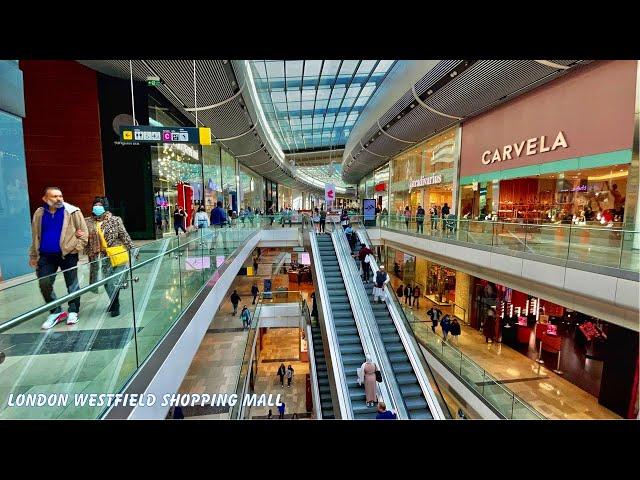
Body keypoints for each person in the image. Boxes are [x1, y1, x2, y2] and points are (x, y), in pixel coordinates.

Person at [29, 187, 88, 329]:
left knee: (72, 283)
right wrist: (33, 254)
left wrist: (76, 247)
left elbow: (84, 233)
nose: (59, 199)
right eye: (55, 196)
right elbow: (35, 235)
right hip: (46, 256)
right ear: (45, 199)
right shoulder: (39, 213)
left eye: (60, 196)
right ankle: (55, 311)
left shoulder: (73, 211)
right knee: (44, 283)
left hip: (68, 255)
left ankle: (73, 310)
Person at [84, 199, 136, 317]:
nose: (97, 208)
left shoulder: (115, 220)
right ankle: (113, 302)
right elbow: (84, 239)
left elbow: (124, 235)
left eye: (100, 206)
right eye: (95, 206)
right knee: (107, 283)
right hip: (101, 257)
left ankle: (115, 304)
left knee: (113, 281)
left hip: (117, 255)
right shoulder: (88, 222)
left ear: (105, 207)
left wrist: (133, 250)